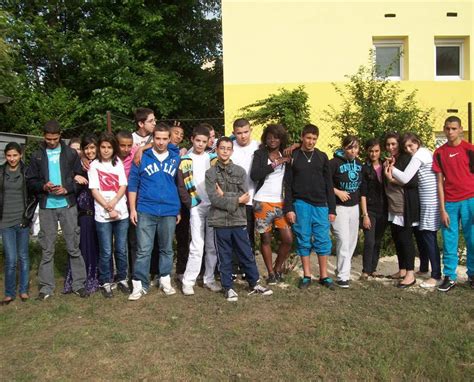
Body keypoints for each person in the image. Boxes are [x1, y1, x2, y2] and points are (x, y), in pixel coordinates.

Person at [205, 137, 273, 301]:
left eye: (228, 148)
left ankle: (254, 283)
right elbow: (214, 199)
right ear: (217, 150)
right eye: (222, 148)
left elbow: (245, 196)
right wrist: (235, 200)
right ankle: (228, 287)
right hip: (220, 221)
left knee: (246, 253)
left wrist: (226, 196)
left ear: (232, 151)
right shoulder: (210, 173)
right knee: (225, 255)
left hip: (238, 219)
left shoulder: (240, 171)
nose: (225, 151)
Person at [26, 120, 87, 300]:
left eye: (54, 138)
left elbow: (81, 178)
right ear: (44, 136)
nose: (51, 142)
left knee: (73, 247)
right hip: (47, 207)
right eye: (48, 139)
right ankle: (46, 288)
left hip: (68, 205)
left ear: (60, 135)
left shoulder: (70, 154)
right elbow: (30, 181)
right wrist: (44, 186)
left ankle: (79, 284)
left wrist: (67, 189)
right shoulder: (37, 155)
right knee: (47, 248)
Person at [128, 123, 181, 300]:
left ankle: (165, 279)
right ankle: (139, 284)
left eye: (164, 138)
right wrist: (133, 209)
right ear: (153, 139)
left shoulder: (175, 156)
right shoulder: (142, 157)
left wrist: (178, 209)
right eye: (157, 138)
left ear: (169, 139)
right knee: (144, 249)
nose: (161, 142)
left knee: (166, 249)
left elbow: (178, 184)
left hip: (169, 209)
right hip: (145, 209)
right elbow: (133, 184)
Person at [284, 124, 336, 289]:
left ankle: (324, 276)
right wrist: (289, 208)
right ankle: (307, 275)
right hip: (301, 204)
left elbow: (329, 184)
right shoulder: (294, 156)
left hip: (321, 204)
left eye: (314, 139)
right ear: (302, 137)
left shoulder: (322, 157)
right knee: (303, 238)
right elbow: (288, 184)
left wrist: (332, 209)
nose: (311, 142)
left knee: (323, 239)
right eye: (308, 138)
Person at [390, 132, 441, 289]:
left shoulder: (419, 155)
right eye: (406, 147)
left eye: (411, 145)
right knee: (423, 234)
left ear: (417, 143)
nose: (409, 149)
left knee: (428, 236)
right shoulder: (424, 153)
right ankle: (425, 268)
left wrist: (391, 168)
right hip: (425, 199)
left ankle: (436, 275)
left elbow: (405, 178)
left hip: (429, 200)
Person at [178, 124, 221, 295]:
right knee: (197, 244)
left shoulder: (212, 158)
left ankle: (209, 278)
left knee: (212, 245)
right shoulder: (185, 160)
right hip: (196, 205)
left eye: (204, 141)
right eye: (198, 141)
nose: (201, 144)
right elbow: (181, 185)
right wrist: (190, 203)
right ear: (192, 140)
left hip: (213, 205)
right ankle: (188, 281)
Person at [432, 116, 474, 291]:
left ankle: (472, 275)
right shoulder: (439, 153)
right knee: (450, 241)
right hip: (450, 203)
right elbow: (440, 183)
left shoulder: (470, 149)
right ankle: (450, 276)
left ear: (460, 129)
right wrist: (442, 209)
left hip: (470, 200)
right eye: (447, 128)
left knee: (472, 240)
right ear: (444, 129)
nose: (450, 132)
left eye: (454, 128)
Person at [88, 132, 129, 298]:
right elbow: (94, 189)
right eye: (103, 147)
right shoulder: (94, 165)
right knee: (106, 251)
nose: (106, 150)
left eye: (109, 147)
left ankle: (122, 278)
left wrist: (114, 202)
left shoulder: (118, 162)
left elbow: (122, 185)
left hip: (120, 212)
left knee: (121, 249)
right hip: (102, 214)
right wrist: (107, 206)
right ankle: (105, 281)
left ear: (114, 149)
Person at [250, 124, 293, 284]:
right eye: (269, 137)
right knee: (265, 239)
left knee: (288, 239)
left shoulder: (287, 153)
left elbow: (304, 144)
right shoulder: (260, 154)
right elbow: (255, 175)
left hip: (281, 203)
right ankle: (270, 273)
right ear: (265, 139)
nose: (272, 140)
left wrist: (293, 147)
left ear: (281, 139)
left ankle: (277, 268)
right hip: (262, 201)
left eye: (276, 137)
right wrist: (275, 163)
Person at [64, 135, 101, 294]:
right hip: (83, 209)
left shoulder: (101, 163)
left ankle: (100, 275)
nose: (86, 151)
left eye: (91, 147)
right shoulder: (76, 165)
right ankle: (83, 277)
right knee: (83, 243)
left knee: (100, 243)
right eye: (84, 148)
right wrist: (74, 176)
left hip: (100, 208)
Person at [383, 132, 419, 289]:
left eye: (394, 144)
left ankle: (410, 274)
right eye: (388, 145)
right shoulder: (392, 159)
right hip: (392, 204)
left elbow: (411, 181)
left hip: (404, 204)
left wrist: (392, 178)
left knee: (405, 239)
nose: (391, 147)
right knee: (397, 237)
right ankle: (402, 269)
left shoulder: (406, 159)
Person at [0, 143, 35, 304]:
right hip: (5, 221)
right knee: (11, 259)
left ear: (20, 155)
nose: (12, 159)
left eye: (15, 155)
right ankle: (9, 292)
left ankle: (23, 290)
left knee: (23, 256)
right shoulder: (1, 172)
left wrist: (27, 217)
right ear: (5, 156)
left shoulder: (26, 172)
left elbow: (33, 196)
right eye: (9, 156)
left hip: (22, 220)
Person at [329, 135, 363, 288]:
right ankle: (344, 276)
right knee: (343, 239)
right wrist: (337, 192)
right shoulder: (334, 163)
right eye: (349, 147)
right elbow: (324, 183)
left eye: (355, 147)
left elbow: (361, 186)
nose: (352, 150)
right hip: (339, 207)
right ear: (343, 148)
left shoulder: (360, 164)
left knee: (351, 241)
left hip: (354, 207)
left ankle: (342, 270)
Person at [230, 118, 260, 277]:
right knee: (234, 233)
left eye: (245, 132)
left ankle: (247, 267)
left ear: (251, 130)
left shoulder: (258, 146)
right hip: (234, 199)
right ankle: (234, 267)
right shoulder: (229, 147)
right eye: (239, 133)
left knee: (249, 234)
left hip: (253, 197)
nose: (243, 136)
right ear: (234, 133)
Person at [360, 138, 387, 279]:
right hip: (370, 209)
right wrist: (365, 215)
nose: (374, 154)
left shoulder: (386, 166)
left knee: (377, 240)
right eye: (371, 151)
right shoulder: (364, 169)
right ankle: (365, 270)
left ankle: (373, 268)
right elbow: (362, 194)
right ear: (367, 151)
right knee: (369, 241)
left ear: (380, 151)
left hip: (384, 209)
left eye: (376, 151)